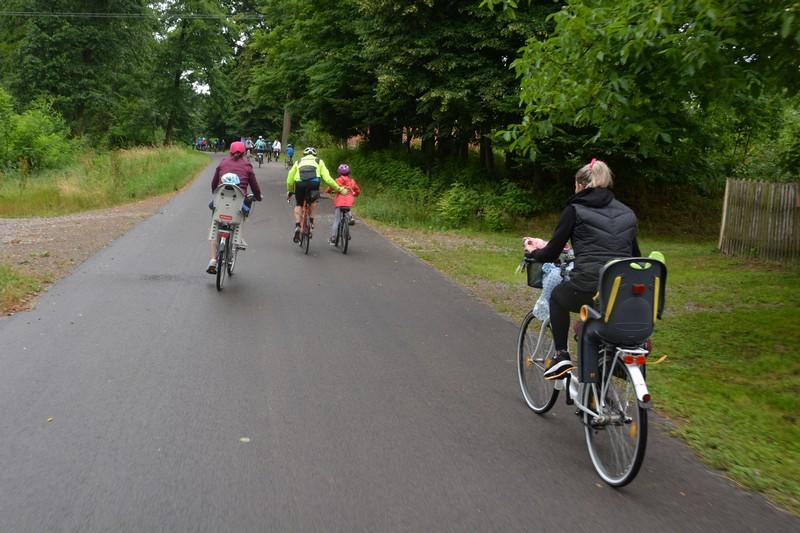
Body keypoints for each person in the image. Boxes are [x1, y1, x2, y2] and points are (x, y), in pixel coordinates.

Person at [525, 158, 640, 380]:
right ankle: (607, 362)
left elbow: (551, 252)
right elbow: (634, 257)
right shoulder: (627, 213)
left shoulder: (575, 210)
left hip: (588, 285)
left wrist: (533, 254)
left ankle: (561, 355)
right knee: (600, 313)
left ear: (580, 185)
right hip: (621, 288)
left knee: (558, 297)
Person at [206, 141, 263, 274]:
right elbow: (254, 186)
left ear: (230, 151)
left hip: (221, 201)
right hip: (238, 203)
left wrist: (215, 192)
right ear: (243, 153)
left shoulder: (223, 162)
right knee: (239, 217)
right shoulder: (247, 166)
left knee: (215, 226)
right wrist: (258, 197)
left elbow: (214, 182)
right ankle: (236, 240)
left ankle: (213, 260)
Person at [286, 147, 348, 243]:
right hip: (313, 183)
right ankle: (311, 221)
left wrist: (290, 190)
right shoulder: (319, 161)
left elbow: (290, 178)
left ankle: (298, 225)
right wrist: (339, 189)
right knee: (313, 201)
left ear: (304, 155)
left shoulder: (298, 161)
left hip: (300, 183)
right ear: (315, 155)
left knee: (299, 204)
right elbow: (327, 179)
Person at [327, 164, 360, 245]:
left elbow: (330, 188)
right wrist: (355, 194)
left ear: (339, 172)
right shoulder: (352, 181)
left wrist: (329, 191)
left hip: (339, 203)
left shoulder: (337, 180)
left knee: (337, 220)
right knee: (348, 208)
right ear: (349, 172)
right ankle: (350, 219)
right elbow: (357, 190)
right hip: (349, 202)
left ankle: (333, 237)